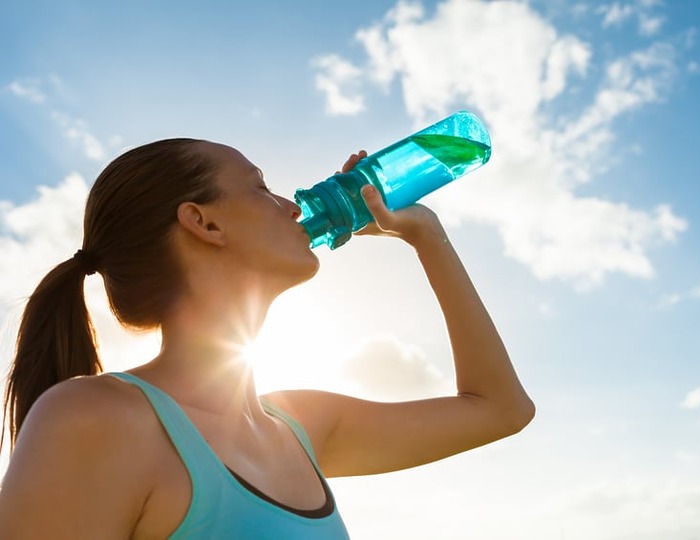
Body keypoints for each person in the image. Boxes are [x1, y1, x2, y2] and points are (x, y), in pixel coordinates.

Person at [0, 138, 535, 539]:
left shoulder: (300, 426)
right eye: (260, 187)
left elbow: (502, 409)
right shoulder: (96, 419)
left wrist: (423, 234)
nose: (294, 205)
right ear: (203, 223)